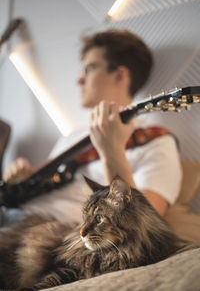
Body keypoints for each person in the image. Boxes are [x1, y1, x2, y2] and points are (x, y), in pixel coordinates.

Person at [1, 29, 182, 227]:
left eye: (89, 68)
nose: (79, 80)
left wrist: (111, 151)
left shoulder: (156, 141)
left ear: (119, 75)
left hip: (43, 232)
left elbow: (145, 228)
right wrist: (23, 177)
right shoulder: (73, 136)